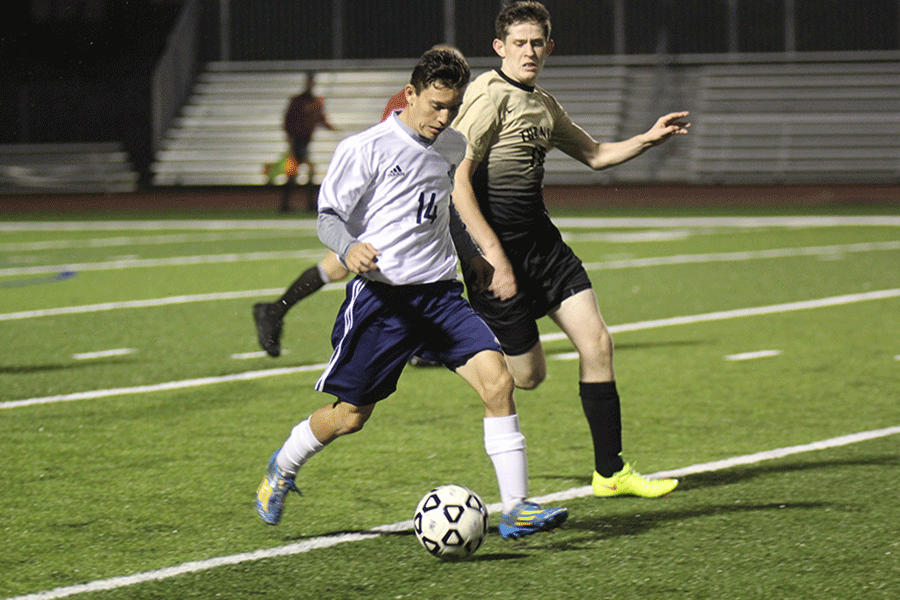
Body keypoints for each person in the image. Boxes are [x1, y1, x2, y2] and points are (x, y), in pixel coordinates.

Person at [255, 47, 568, 540]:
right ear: (410, 94)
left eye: (452, 108)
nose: (443, 118)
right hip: (384, 302)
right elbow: (327, 216)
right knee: (350, 416)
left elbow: (444, 212)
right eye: (435, 106)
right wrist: (349, 247)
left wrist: (475, 258)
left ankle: (517, 507)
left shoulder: (452, 145)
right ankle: (283, 465)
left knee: (498, 383)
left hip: (441, 296)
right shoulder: (366, 148)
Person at [450, 1, 690, 499]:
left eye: (537, 42)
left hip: (544, 248)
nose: (529, 51)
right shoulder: (486, 95)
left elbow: (596, 154)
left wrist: (648, 138)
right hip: (497, 258)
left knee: (598, 344)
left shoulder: (543, 104)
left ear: (549, 47)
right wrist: (492, 256)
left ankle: (611, 472)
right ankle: (441, 343)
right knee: (529, 376)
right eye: (519, 42)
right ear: (500, 48)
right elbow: (456, 183)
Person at [274, 71, 339, 212]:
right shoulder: (298, 101)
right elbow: (288, 122)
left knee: (297, 172)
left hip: (306, 141)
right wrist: (290, 140)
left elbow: (321, 119)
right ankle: (306, 204)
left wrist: (333, 128)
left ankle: (290, 204)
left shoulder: (316, 102)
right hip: (297, 141)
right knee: (303, 171)